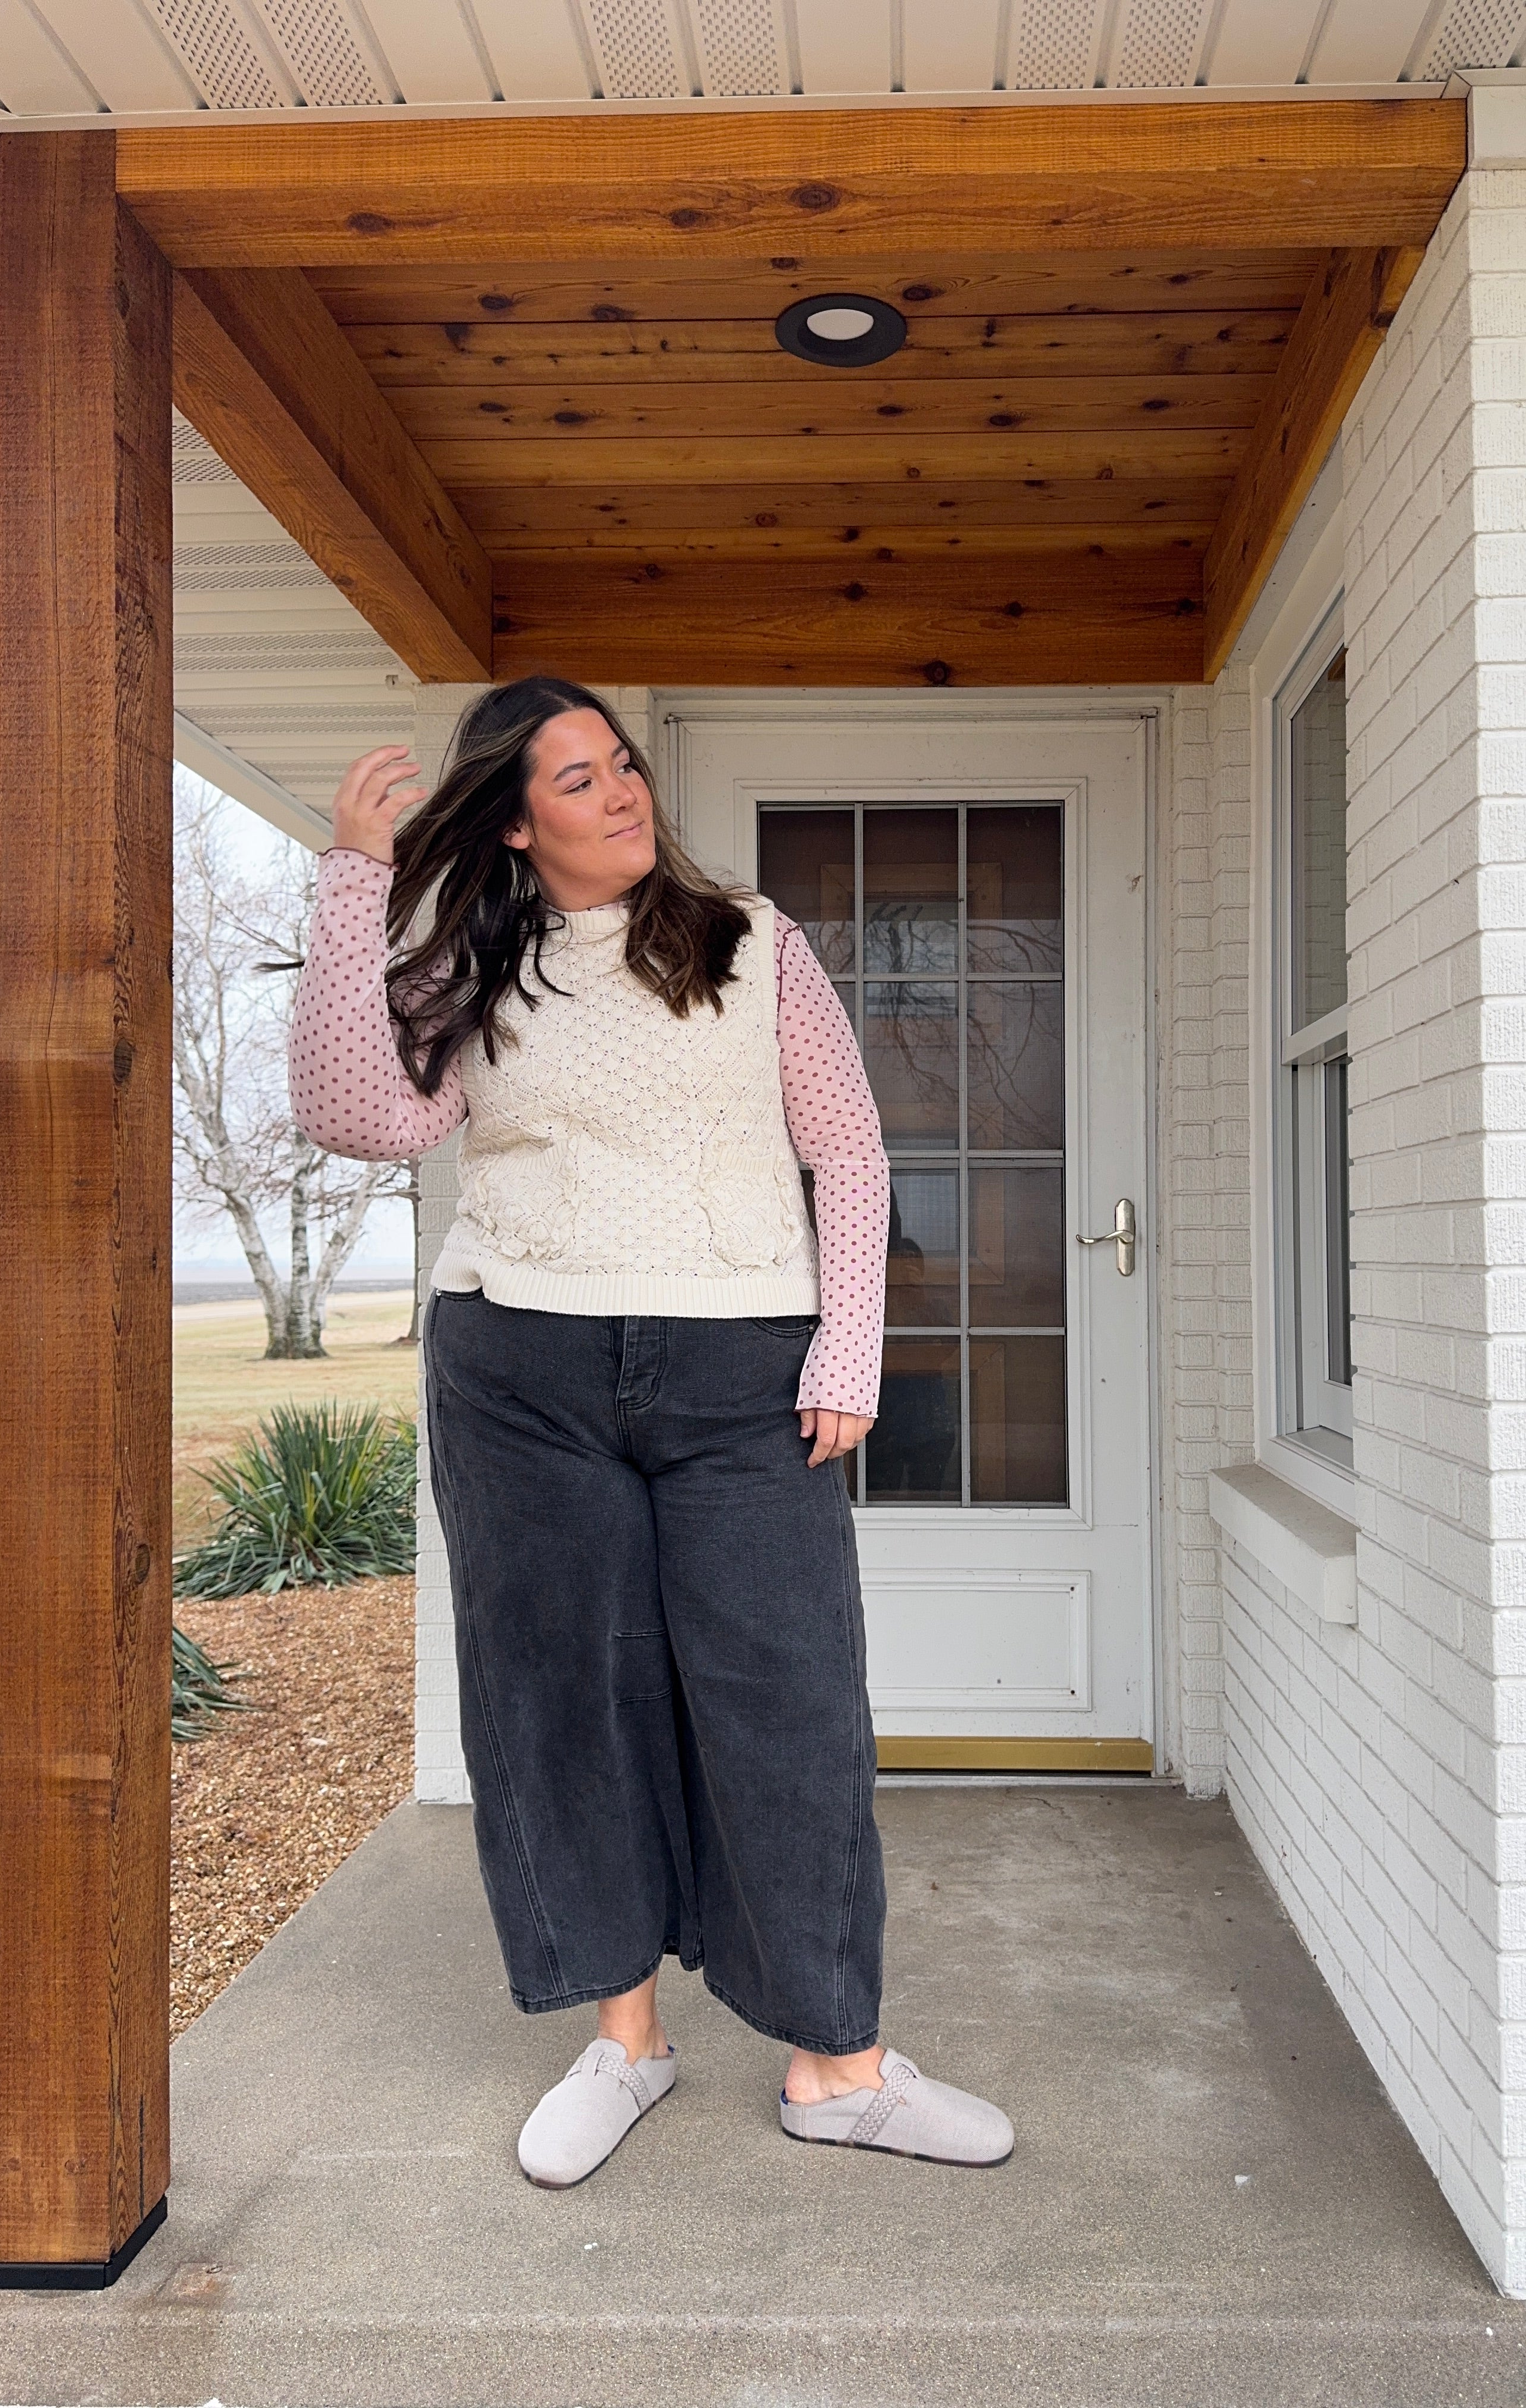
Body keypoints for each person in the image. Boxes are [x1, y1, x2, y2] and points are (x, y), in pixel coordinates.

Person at [288, 677, 1013, 2185]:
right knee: (564, 1700)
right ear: (511, 818)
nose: (621, 793)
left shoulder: (752, 944)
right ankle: (624, 2041)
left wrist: (851, 1347)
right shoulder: (473, 970)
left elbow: (850, 1151)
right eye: (576, 779)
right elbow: (357, 1114)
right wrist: (355, 880)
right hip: (521, 1376)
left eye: (622, 764)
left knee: (792, 1706)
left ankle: (841, 2063)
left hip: (743, 1371)